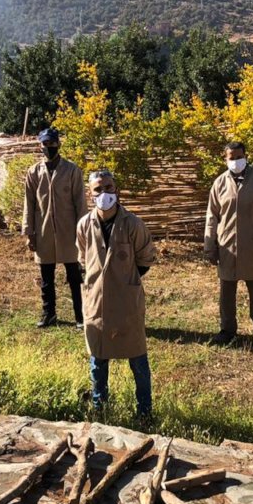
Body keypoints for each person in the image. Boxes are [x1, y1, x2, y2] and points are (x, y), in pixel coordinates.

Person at [76, 169, 157, 418]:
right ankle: (100, 409)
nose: (104, 193)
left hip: (127, 301)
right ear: (90, 193)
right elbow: (83, 259)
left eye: (108, 187)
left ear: (116, 190)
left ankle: (145, 412)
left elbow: (145, 259)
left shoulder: (133, 224)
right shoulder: (84, 225)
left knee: (137, 358)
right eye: (98, 189)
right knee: (98, 359)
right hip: (95, 301)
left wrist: (123, 281)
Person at [204, 141, 253, 349]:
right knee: (226, 292)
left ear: (246, 156)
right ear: (225, 159)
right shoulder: (219, 183)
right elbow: (212, 217)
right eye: (231, 157)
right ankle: (227, 331)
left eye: (239, 157)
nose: (236, 161)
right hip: (227, 245)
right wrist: (210, 246)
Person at [23, 128, 88, 328]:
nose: (49, 148)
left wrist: (83, 233)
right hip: (43, 232)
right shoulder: (34, 172)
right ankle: (49, 314)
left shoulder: (72, 170)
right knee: (46, 277)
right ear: (40, 146)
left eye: (52, 144)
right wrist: (28, 232)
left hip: (70, 232)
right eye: (45, 144)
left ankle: (81, 316)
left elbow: (80, 203)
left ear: (58, 144)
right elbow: (29, 203)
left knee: (75, 276)